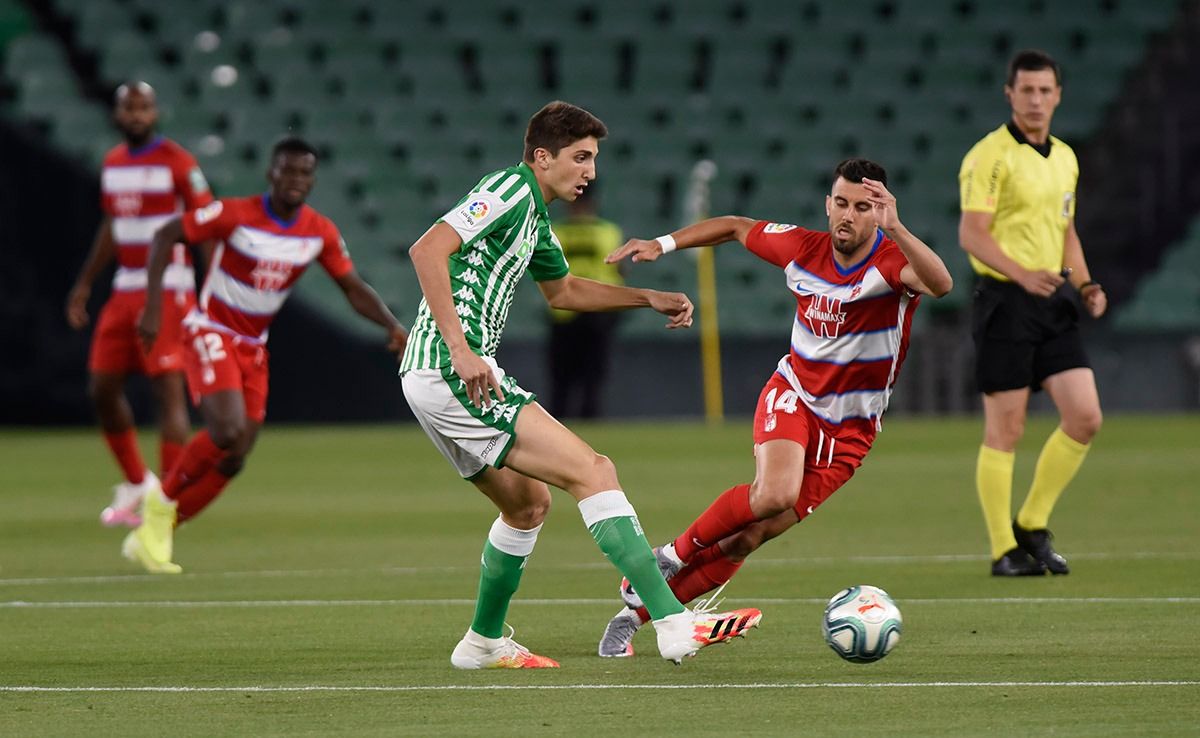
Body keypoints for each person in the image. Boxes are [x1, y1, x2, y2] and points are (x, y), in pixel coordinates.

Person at [400, 101, 761, 670]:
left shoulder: (535, 219)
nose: (590, 171)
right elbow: (427, 249)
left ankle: (482, 643)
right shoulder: (510, 189)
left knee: (528, 506)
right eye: (580, 157)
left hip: (436, 378)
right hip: (453, 371)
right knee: (594, 471)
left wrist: (646, 297)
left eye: (593, 159)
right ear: (542, 158)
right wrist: (462, 350)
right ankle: (672, 622)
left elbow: (563, 292)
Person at [596, 158, 954, 657]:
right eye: (842, 204)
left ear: (879, 213)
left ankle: (635, 617)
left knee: (751, 537)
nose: (848, 215)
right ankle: (669, 556)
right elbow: (735, 227)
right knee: (773, 494)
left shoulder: (892, 263)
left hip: (851, 431)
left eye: (863, 207)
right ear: (829, 205)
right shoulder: (802, 248)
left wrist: (899, 227)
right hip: (796, 394)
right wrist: (664, 243)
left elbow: (941, 284)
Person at [125, 136, 408, 574]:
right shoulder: (235, 214)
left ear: (312, 180)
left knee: (237, 453)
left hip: (253, 346)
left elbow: (352, 287)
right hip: (211, 330)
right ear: (271, 174)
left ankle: (156, 532)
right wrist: (154, 305)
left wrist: (391, 325)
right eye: (287, 171)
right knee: (226, 429)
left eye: (304, 173)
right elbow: (167, 233)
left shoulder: (317, 231)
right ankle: (159, 506)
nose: (295, 180)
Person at [958, 50, 1106, 577]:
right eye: (1027, 91)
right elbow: (972, 233)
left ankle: (1033, 524)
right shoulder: (988, 156)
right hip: (1005, 301)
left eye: (1045, 91)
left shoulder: (1065, 157)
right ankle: (1003, 549)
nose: (1036, 100)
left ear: (1058, 95)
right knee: (1007, 428)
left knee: (1085, 417)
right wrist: (1022, 274)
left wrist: (1085, 282)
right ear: (1010, 94)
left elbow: (1066, 232)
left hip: (1054, 298)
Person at [65, 81, 213, 527]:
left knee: (167, 392)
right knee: (101, 389)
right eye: (129, 107)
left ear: (155, 112)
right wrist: (85, 283)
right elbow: (114, 223)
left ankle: (166, 501)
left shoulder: (178, 162)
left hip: (170, 288)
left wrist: (209, 292)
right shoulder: (112, 164)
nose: (136, 114)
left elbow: (206, 223)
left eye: (144, 107)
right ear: (116, 113)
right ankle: (137, 483)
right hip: (125, 287)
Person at [545, 186, 625, 418]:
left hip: (575, 309)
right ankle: (583, 422)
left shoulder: (556, 232)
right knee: (583, 374)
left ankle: (571, 422)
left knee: (569, 376)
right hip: (585, 309)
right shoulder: (608, 232)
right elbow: (620, 270)